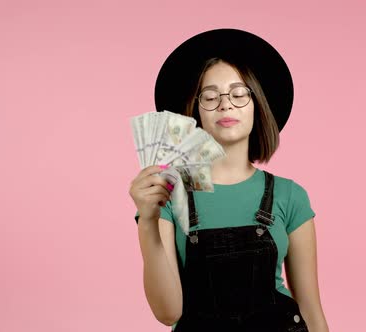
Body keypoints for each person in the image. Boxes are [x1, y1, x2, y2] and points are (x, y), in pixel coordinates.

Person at [129, 28, 329, 332]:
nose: (225, 104)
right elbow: (168, 312)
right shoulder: (168, 196)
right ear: (194, 112)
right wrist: (147, 219)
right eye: (210, 97)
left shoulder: (291, 196)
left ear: (258, 106)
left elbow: (311, 309)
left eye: (238, 94)